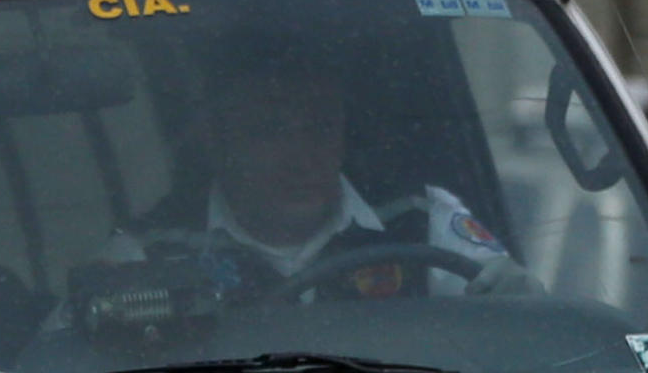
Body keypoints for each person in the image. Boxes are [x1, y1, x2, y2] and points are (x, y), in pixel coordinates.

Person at [82, 43, 513, 331]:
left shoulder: (419, 218)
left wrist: (518, 299)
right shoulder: (148, 251)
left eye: (321, 128)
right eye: (271, 131)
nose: (303, 155)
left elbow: (517, 326)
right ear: (215, 141)